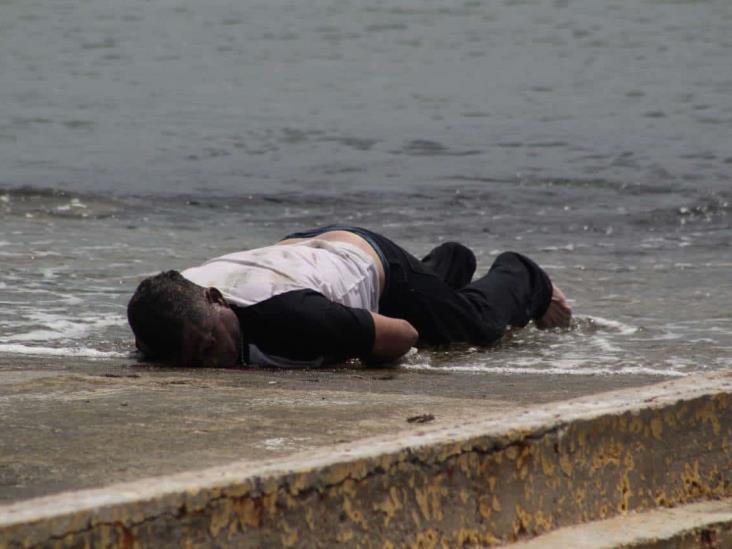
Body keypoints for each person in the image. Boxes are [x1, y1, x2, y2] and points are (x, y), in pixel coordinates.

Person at [127, 225, 571, 368]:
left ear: (215, 299)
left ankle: (524, 275)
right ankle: (448, 265)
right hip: (304, 251)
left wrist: (351, 347)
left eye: (209, 343)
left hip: (373, 262)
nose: (214, 359)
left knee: (474, 329)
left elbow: (403, 334)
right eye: (197, 359)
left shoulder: (293, 317)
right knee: (435, 298)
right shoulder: (170, 302)